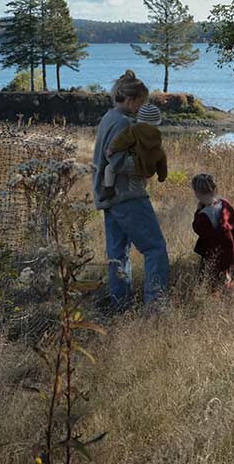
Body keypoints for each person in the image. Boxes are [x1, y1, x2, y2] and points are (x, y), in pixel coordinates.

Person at [93, 71, 169, 307]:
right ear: (130, 99)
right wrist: (145, 166)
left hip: (110, 197)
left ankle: (120, 304)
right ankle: (156, 306)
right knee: (155, 249)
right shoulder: (123, 123)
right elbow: (115, 161)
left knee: (118, 255)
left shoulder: (109, 117)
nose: (141, 107)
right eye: (141, 102)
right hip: (128, 196)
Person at [99, 102, 168, 203]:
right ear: (157, 122)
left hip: (132, 162)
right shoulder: (158, 142)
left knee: (109, 169)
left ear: (140, 119)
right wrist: (162, 176)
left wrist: (112, 149)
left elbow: (123, 140)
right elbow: (162, 162)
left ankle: (109, 189)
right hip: (147, 167)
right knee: (139, 181)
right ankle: (139, 195)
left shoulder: (134, 130)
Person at [191, 173, 234, 288]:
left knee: (210, 282)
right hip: (232, 248)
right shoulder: (226, 204)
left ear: (197, 193)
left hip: (214, 254)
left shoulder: (204, 214)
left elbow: (197, 228)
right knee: (228, 276)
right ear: (214, 189)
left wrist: (198, 212)